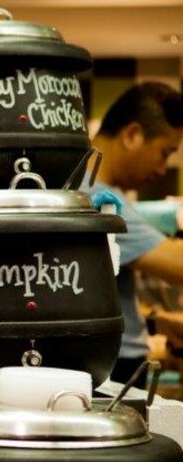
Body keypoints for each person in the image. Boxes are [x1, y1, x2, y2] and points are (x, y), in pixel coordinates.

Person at [82, 81, 183, 388]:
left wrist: (156, 319)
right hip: (115, 365)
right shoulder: (96, 197)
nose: (163, 168)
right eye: (165, 152)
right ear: (132, 135)